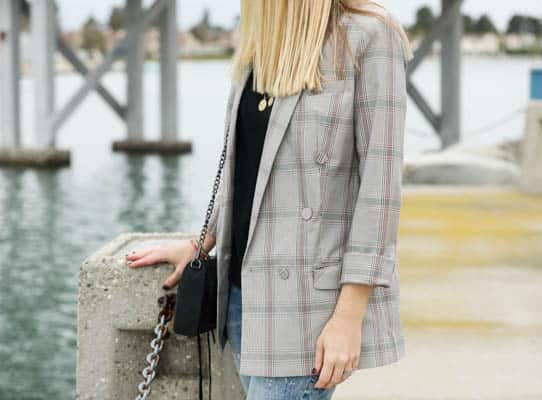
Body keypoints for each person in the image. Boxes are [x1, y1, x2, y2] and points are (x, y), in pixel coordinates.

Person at [126, 0, 412, 398]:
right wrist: (202, 241)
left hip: (306, 312)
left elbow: (380, 192)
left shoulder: (369, 37)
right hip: (242, 296)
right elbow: (247, 175)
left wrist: (349, 317)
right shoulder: (263, 47)